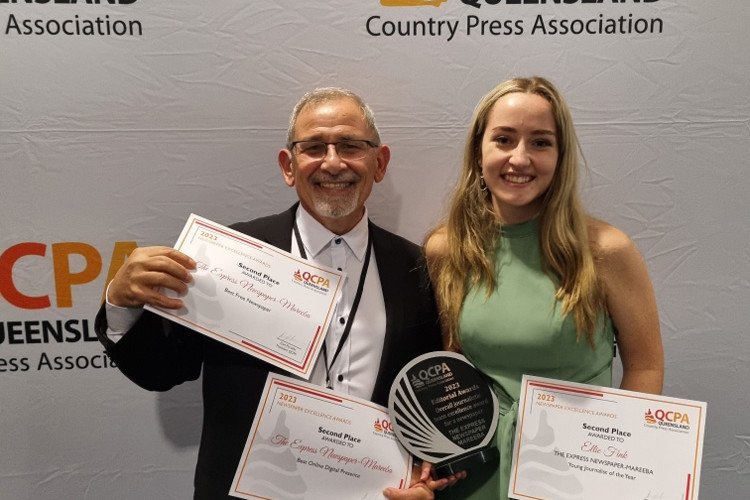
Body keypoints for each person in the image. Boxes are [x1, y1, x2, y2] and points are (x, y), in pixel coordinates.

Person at [94, 87, 458, 500]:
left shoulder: (419, 269)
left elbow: (434, 399)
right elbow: (159, 371)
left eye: (352, 146)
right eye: (314, 147)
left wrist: (429, 474)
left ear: (380, 163)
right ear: (289, 166)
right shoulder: (227, 258)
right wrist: (121, 304)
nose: (334, 162)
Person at [425, 77, 664, 500]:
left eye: (540, 142)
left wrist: (616, 461)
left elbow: (645, 367)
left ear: (560, 155)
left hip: (574, 478)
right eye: (503, 139)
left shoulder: (606, 250)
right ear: (479, 151)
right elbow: (450, 365)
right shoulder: (448, 249)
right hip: (475, 476)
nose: (520, 158)